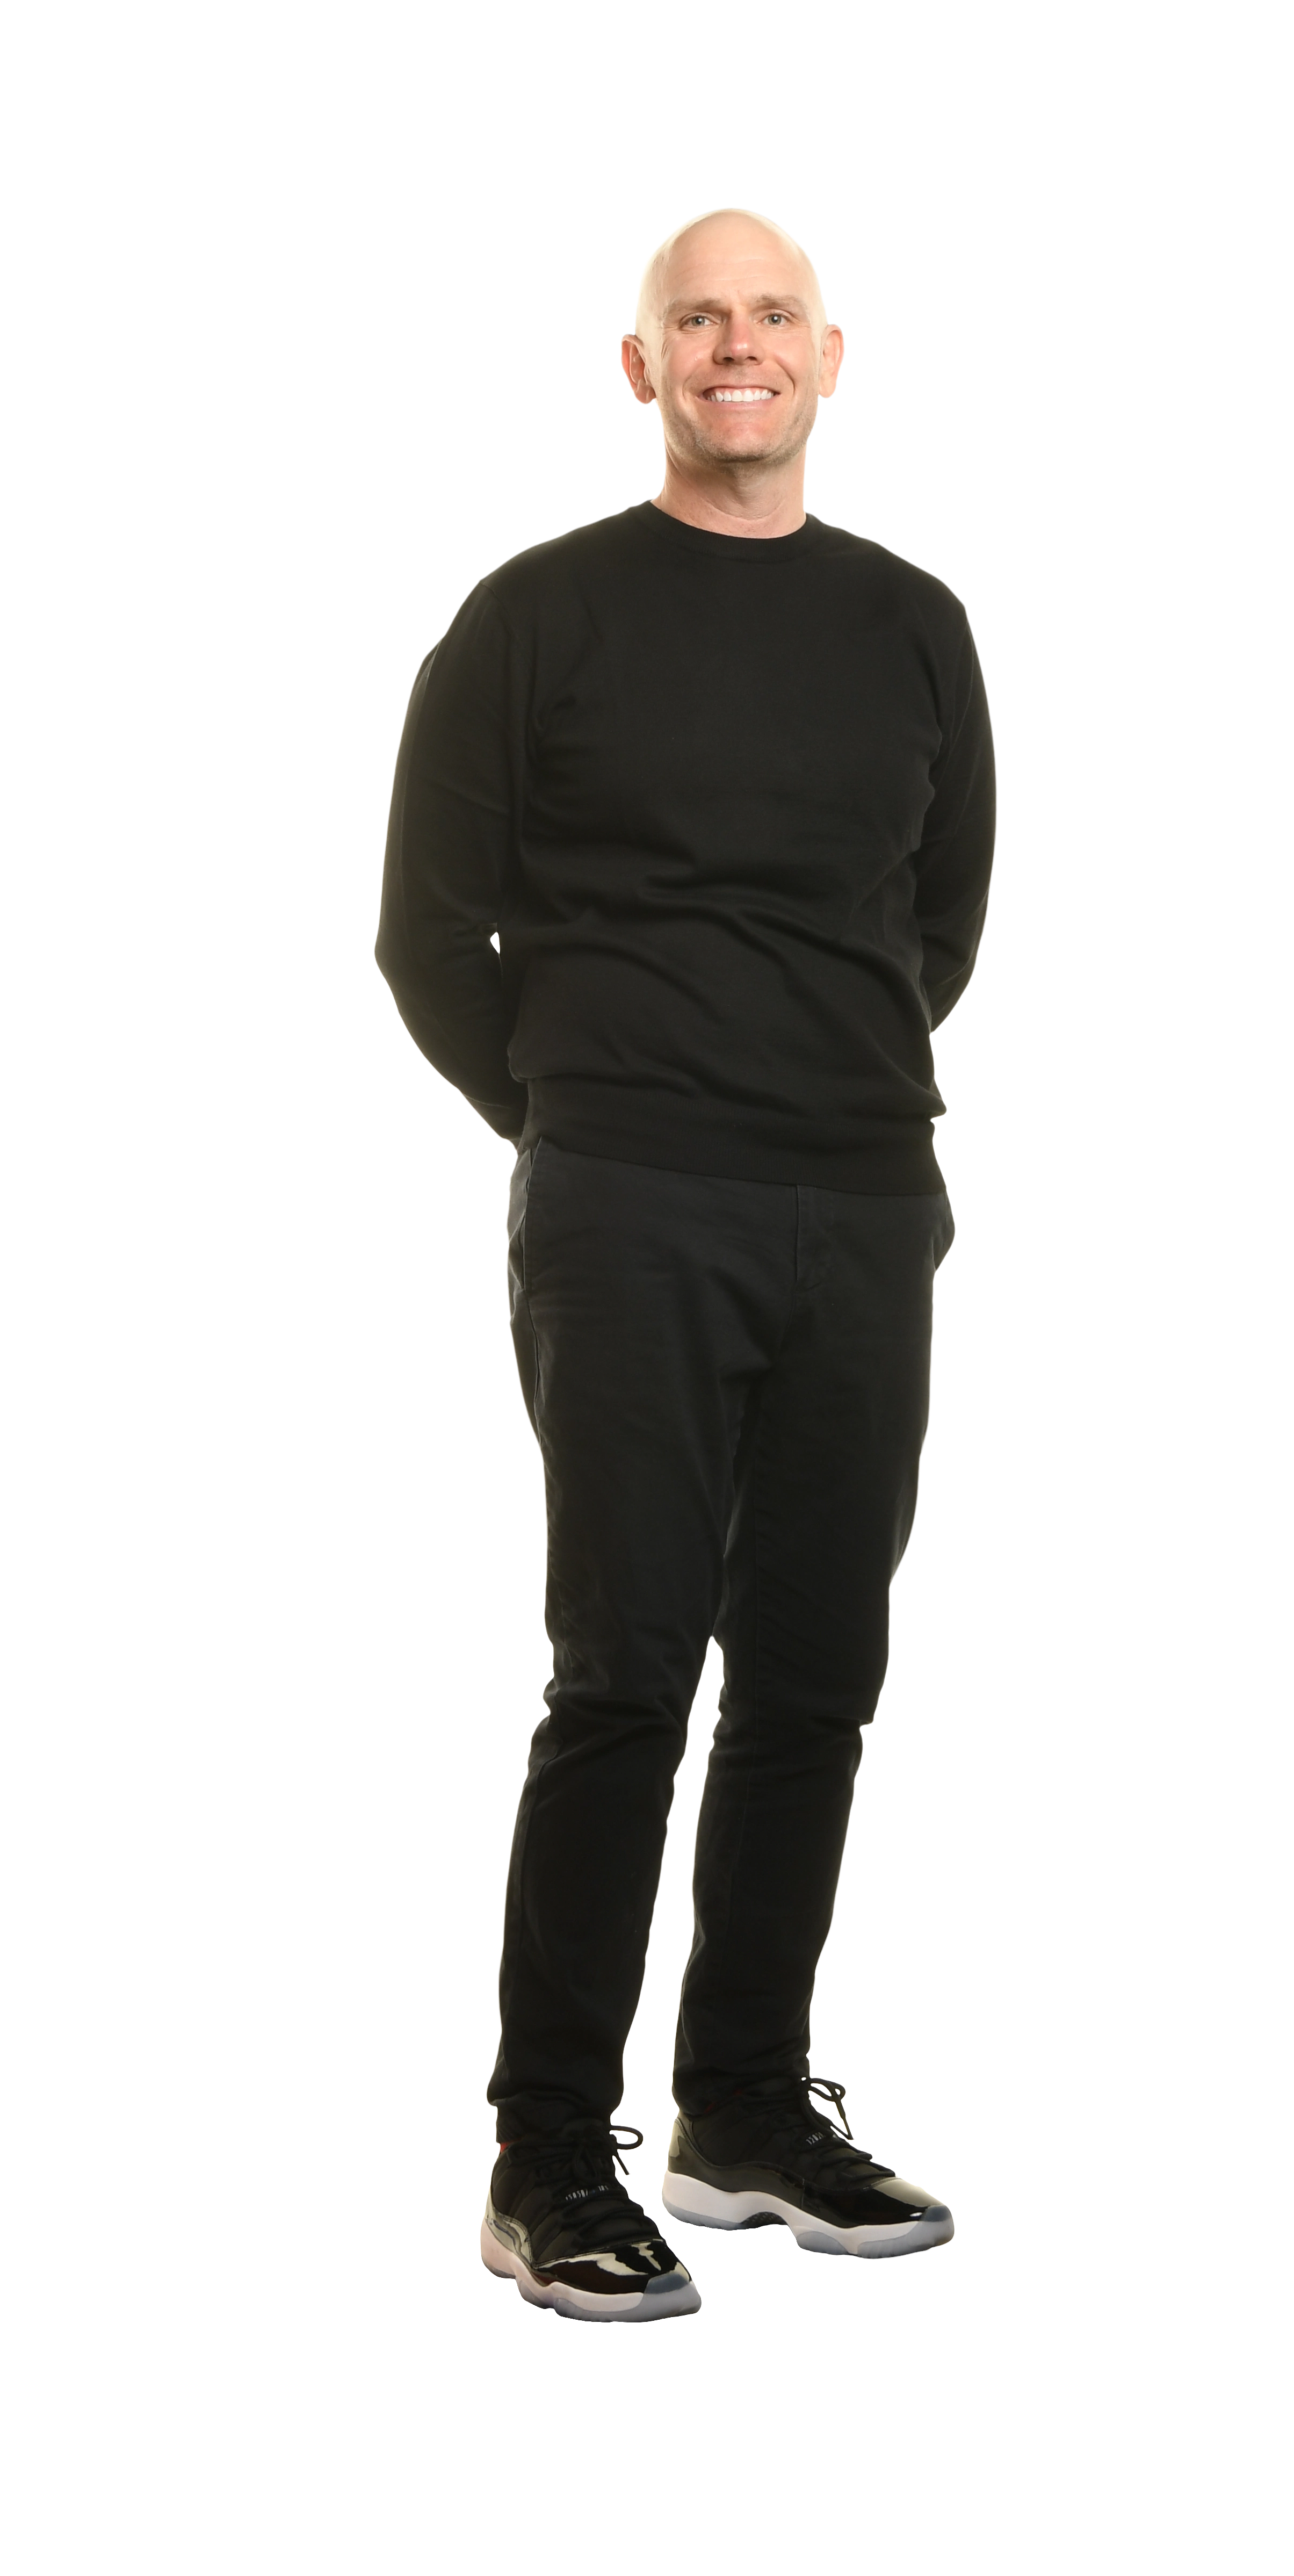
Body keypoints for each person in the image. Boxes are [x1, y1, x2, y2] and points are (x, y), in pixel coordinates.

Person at [374, 209, 995, 2320]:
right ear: (642, 366)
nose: (740, 346)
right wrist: (591, 1114)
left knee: (815, 1674)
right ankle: (549, 2143)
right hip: (629, 1197)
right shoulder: (534, 618)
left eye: (773, 316)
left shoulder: (913, 624)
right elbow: (425, 934)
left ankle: (736, 2112)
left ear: (831, 356)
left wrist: (811, 1095)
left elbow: (936, 925)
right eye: (698, 319)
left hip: (863, 1202)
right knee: (625, 1673)